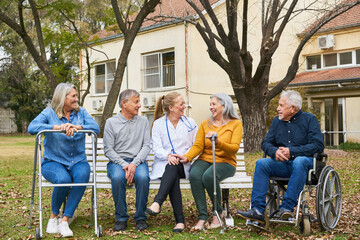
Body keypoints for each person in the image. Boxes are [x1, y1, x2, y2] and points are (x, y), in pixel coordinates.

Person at [237, 90, 324, 225]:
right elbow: (265, 143)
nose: (278, 109)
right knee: (262, 163)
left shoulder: (309, 119)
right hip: (283, 165)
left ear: (293, 108)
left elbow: (318, 146)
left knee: (299, 161)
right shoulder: (277, 122)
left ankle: (286, 208)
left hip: (305, 166)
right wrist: (275, 152)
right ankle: (258, 210)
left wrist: (292, 151)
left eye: (281, 105)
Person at [28, 83, 100, 237]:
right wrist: (57, 127)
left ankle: (65, 220)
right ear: (63, 98)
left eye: (76, 95)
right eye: (73, 96)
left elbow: (95, 128)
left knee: (82, 175)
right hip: (53, 161)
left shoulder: (81, 113)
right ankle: (53, 217)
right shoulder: (49, 113)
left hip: (78, 161)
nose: (76, 99)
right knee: (62, 179)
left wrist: (77, 127)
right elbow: (32, 127)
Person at [174, 93, 243, 230]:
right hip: (205, 159)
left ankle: (217, 212)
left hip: (226, 162)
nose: (211, 107)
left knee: (209, 176)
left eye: (214, 104)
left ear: (224, 106)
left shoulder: (236, 124)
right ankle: (202, 216)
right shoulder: (206, 123)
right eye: (210, 104)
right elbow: (198, 146)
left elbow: (234, 149)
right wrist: (187, 157)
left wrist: (218, 142)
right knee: (194, 174)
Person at [145, 92, 198, 232]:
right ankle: (180, 221)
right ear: (171, 108)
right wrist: (168, 155)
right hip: (164, 164)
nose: (184, 106)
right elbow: (156, 148)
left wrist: (186, 156)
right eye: (181, 104)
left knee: (173, 166)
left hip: (184, 163)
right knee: (171, 169)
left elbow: (196, 145)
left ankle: (157, 202)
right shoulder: (158, 124)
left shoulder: (190, 123)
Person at [104, 89, 151, 231]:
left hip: (138, 161)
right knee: (118, 178)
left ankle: (140, 217)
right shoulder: (111, 122)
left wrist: (134, 164)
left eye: (139, 102)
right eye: (136, 102)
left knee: (143, 177)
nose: (139, 105)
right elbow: (108, 149)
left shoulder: (143, 121)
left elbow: (146, 145)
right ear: (124, 103)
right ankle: (121, 218)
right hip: (117, 162)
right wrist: (125, 164)